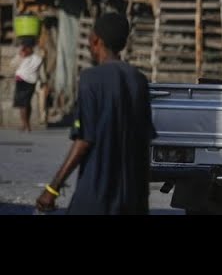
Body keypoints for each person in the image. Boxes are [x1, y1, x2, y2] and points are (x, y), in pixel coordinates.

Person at [35, 12, 157, 215]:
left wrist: (52, 188)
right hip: (133, 200)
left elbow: (84, 141)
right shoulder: (139, 81)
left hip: (96, 195)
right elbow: (145, 144)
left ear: (95, 40)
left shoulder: (91, 79)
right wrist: (142, 199)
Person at [10, 36, 43, 132]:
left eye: (25, 47)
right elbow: (13, 64)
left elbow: (13, 64)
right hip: (28, 81)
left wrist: (20, 56)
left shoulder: (32, 58)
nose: (24, 49)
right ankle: (25, 124)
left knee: (23, 104)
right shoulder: (35, 57)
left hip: (24, 81)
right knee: (26, 104)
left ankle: (26, 125)